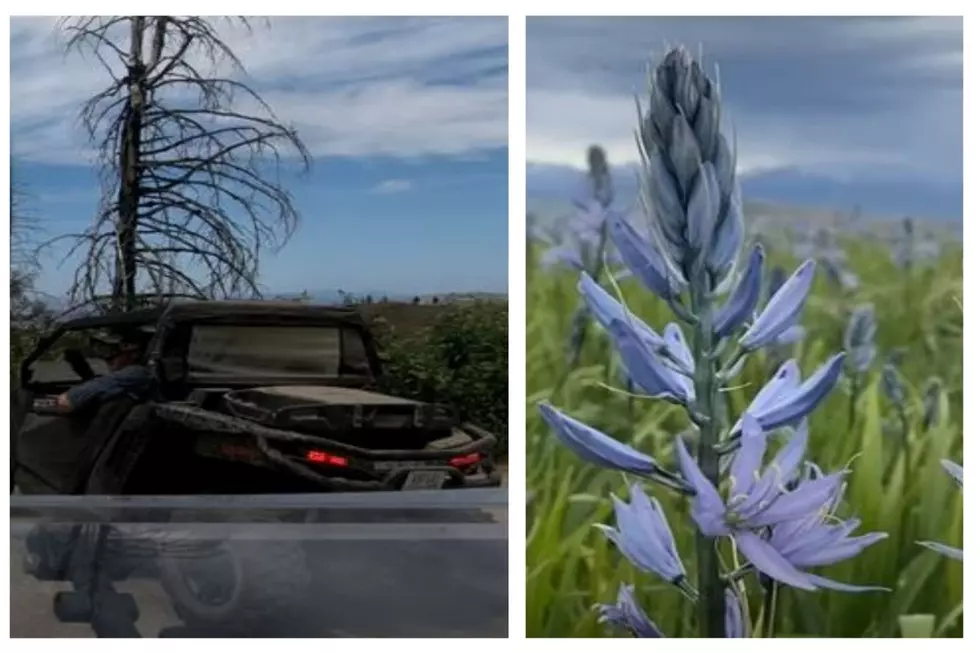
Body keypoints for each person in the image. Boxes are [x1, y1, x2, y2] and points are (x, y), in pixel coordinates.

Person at [55, 329, 154, 413]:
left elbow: (68, 400)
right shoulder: (130, 379)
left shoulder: (138, 373)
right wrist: (74, 357)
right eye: (103, 354)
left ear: (133, 354)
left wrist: (68, 398)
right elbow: (97, 383)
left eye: (111, 352)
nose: (106, 360)